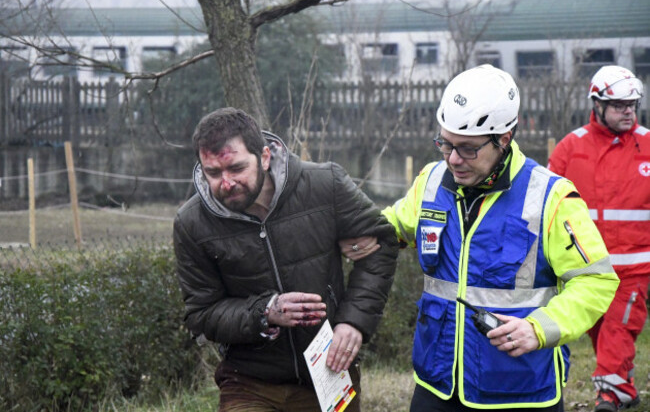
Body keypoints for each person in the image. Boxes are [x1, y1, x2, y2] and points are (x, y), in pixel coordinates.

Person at [342, 64, 620, 411]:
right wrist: (354, 232)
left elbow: (596, 280)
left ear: (504, 138)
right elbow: (393, 226)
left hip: (520, 389)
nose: (453, 159)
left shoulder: (551, 197)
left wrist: (539, 328)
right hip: (437, 382)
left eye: (468, 148)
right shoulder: (431, 180)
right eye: (445, 144)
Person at [173, 107, 398, 411]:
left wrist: (353, 322)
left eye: (236, 168)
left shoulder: (325, 185)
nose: (226, 183)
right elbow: (201, 314)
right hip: (248, 379)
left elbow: (381, 246)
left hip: (328, 370)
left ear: (264, 157)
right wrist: (265, 312)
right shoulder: (191, 223)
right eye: (213, 173)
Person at [548, 65, 648, 411]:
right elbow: (546, 203)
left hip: (635, 267)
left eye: (632, 104)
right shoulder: (570, 147)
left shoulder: (648, 146)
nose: (628, 111)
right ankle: (626, 387)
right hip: (587, 268)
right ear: (598, 105)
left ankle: (609, 396)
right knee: (600, 332)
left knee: (618, 330)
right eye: (620, 105)